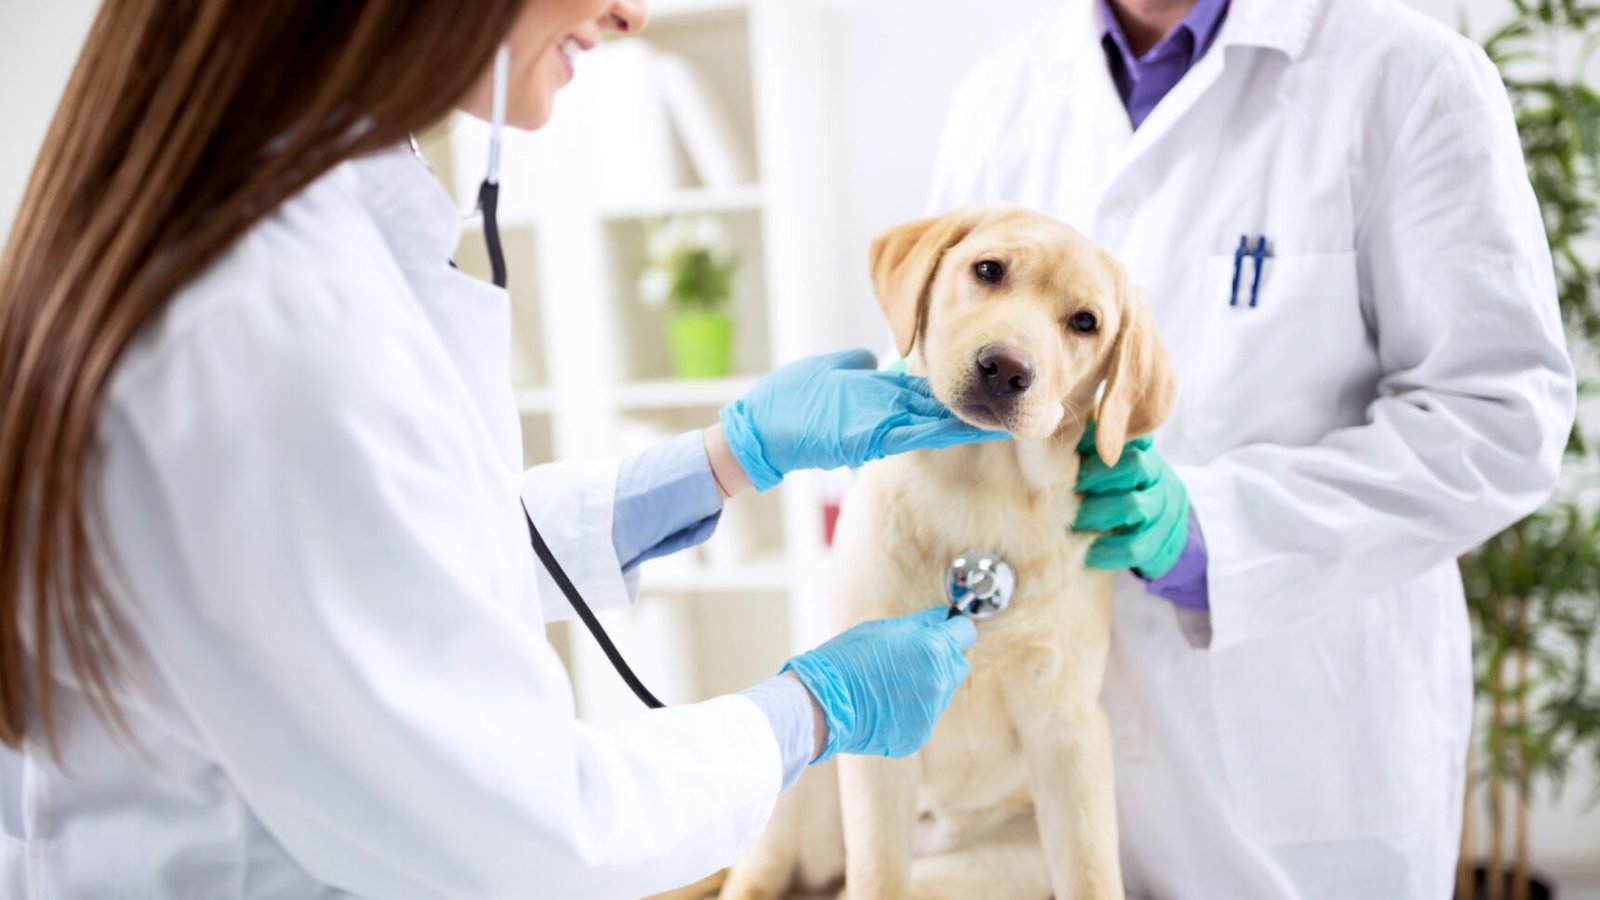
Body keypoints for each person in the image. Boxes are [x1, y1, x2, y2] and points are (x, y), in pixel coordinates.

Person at [0, 1, 1001, 897]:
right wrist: (813, 711)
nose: (630, 13)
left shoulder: (303, 230)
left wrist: (724, 459)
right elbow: (532, 829)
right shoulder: (266, 322)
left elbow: (390, 571)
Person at [928, 0, 1576, 896]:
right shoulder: (998, 96)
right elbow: (950, 359)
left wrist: (1212, 534)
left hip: (1296, 767)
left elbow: (1499, 416)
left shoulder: (1410, 76)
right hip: (1031, 787)